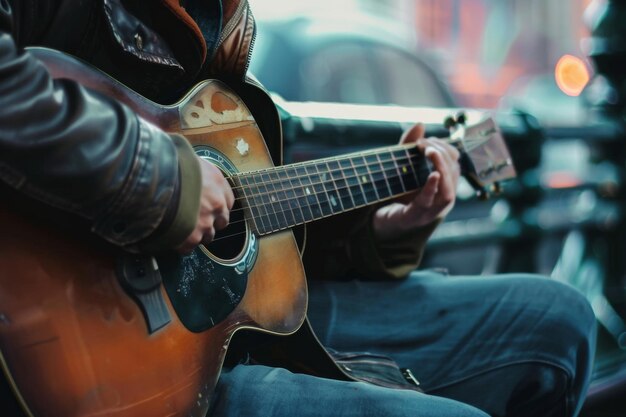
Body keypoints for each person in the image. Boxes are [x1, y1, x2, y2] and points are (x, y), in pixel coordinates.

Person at [0, 1, 596, 416]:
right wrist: (164, 183)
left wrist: (381, 231)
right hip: (126, 359)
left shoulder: (226, 19)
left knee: (561, 319)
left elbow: (250, 215)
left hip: (243, 322)